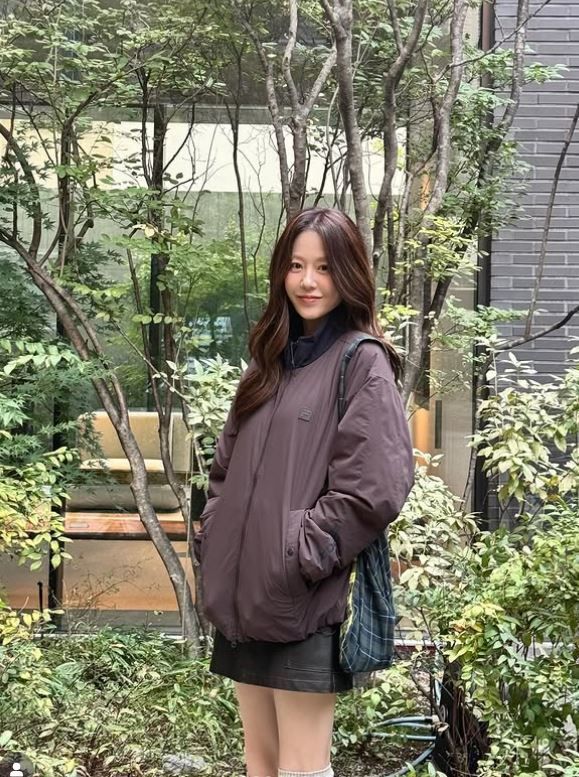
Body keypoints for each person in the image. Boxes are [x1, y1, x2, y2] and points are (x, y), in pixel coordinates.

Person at [193, 207, 414, 777]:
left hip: (304, 603)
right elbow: (224, 471)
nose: (308, 281)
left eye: (324, 267)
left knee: (300, 769)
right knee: (260, 763)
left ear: (349, 273)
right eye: (296, 266)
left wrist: (298, 554)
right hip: (245, 597)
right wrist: (216, 535)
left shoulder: (361, 361)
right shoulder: (267, 363)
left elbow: (375, 488)